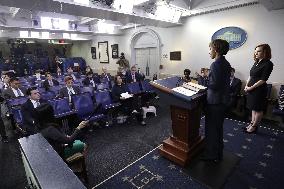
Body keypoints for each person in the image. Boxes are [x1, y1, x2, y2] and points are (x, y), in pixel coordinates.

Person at [201, 39, 231, 162]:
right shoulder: (226, 62)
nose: (209, 52)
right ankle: (218, 154)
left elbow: (214, 85)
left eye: (210, 49)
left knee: (212, 130)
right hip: (221, 101)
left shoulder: (215, 64)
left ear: (216, 49)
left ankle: (211, 155)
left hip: (215, 102)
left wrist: (206, 78)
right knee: (218, 129)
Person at [244, 44, 273, 133]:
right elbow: (251, 75)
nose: (256, 53)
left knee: (258, 109)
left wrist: (250, 88)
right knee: (253, 108)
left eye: (259, 51)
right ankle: (252, 123)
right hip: (251, 89)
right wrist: (246, 85)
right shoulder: (256, 62)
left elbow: (263, 80)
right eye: (255, 51)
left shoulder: (268, 63)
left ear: (265, 52)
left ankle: (254, 126)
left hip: (259, 90)